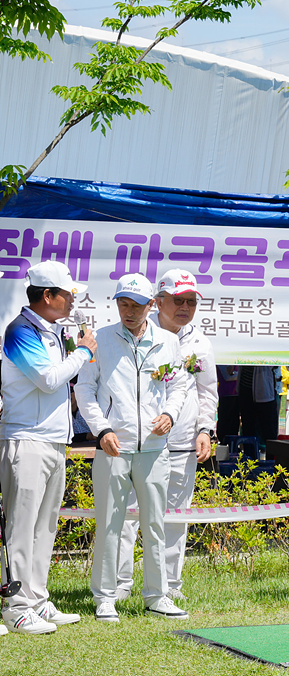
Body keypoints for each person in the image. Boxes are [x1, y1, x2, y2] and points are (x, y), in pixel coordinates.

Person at [77, 273, 189, 623]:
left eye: (136, 305)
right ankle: (105, 597)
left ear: (151, 305)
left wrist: (170, 413)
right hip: (113, 447)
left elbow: (179, 385)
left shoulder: (167, 342)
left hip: (155, 448)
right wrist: (102, 429)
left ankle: (158, 595)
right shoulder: (102, 341)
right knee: (110, 524)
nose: (128, 311)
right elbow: (85, 390)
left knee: (155, 523)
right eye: (122, 304)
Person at [0, 261, 96, 634]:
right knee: (21, 529)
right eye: (68, 294)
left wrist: (77, 351)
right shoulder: (20, 331)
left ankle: (37, 600)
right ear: (47, 296)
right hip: (26, 440)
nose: (73, 300)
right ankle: (17, 605)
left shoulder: (53, 332)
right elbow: (47, 379)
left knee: (46, 527)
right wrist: (84, 351)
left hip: (55, 440)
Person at [115, 269, 217, 603]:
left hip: (184, 444)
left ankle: (170, 584)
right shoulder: (139, 334)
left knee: (174, 516)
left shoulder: (200, 342)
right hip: (140, 444)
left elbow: (208, 392)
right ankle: (120, 583)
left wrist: (205, 429)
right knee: (129, 513)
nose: (185, 307)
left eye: (191, 301)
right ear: (157, 302)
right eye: (177, 300)